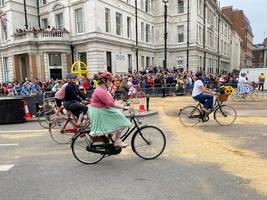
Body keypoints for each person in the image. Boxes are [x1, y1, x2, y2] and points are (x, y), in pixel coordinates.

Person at [89, 71, 131, 148]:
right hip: (100, 111)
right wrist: (124, 107)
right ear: (104, 80)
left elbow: (112, 101)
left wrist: (121, 105)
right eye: (110, 80)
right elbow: (111, 104)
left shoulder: (103, 89)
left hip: (102, 110)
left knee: (118, 115)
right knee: (121, 121)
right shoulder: (100, 91)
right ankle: (117, 141)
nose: (111, 82)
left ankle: (111, 135)